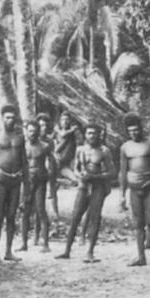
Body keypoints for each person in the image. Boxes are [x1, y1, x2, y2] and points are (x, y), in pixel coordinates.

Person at [56, 124, 115, 263]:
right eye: (89, 133)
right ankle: (66, 250)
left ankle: (90, 252)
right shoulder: (80, 150)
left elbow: (112, 172)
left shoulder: (104, 151)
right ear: (85, 134)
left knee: (95, 218)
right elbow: (75, 168)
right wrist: (79, 175)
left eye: (94, 133)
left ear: (99, 134)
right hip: (83, 186)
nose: (92, 136)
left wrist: (96, 177)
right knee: (75, 217)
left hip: (97, 188)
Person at [119, 113, 150, 267]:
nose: (134, 133)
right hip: (134, 188)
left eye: (136, 130)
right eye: (130, 131)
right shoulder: (125, 147)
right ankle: (141, 257)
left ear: (141, 129)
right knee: (138, 223)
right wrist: (122, 194)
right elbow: (123, 171)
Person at [0, 105, 28, 263]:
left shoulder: (20, 137)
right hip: (0, 181)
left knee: (11, 215)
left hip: (15, 181)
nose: (10, 120)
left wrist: (27, 187)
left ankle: (8, 251)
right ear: (2, 118)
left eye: (12, 117)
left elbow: (24, 163)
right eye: (7, 117)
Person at [19, 119, 57, 253]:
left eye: (34, 131)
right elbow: (19, 164)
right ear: (26, 132)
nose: (32, 134)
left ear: (38, 132)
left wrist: (50, 181)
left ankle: (45, 243)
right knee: (25, 212)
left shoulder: (45, 146)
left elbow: (52, 164)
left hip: (40, 179)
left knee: (41, 210)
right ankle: (24, 243)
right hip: (27, 180)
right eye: (30, 131)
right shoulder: (22, 146)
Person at [50, 110, 83, 216]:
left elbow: (80, 142)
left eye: (67, 119)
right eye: (62, 119)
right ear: (60, 121)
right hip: (55, 163)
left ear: (70, 121)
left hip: (64, 165)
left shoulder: (73, 133)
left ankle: (58, 181)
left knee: (76, 181)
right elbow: (52, 140)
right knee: (52, 191)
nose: (64, 121)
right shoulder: (57, 131)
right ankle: (56, 213)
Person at [36, 112, 59, 217]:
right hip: (36, 167)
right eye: (41, 125)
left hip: (48, 166)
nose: (43, 128)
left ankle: (55, 212)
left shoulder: (49, 141)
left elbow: (51, 156)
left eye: (45, 125)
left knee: (52, 189)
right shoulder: (33, 139)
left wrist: (50, 169)